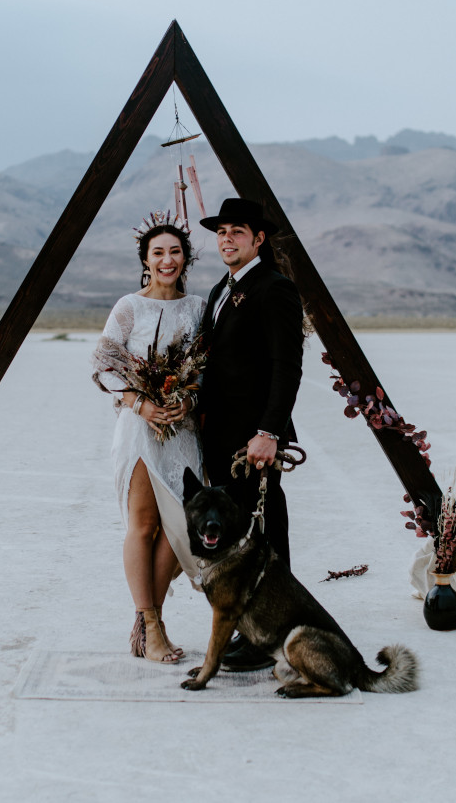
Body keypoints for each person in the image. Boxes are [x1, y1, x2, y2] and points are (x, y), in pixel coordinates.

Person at [196, 197, 305, 671]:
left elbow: (288, 367)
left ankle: (272, 633)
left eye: (237, 231)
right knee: (240, 540)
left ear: (259, 239)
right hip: (218, 437)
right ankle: (247, 627)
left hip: (253, 442)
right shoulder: (222, 287)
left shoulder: (274, 288)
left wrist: (269, 432)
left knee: (265, 533)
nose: (227, 239)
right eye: (221, 232)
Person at [92, 218, 206, 664]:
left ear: (186, 259)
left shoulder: (198, 308)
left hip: (181, 432)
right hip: (139, 428)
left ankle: (145, 621)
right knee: (144, 526)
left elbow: (204, 369)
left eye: (174, 252)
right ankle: (152, 625)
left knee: (181, 530)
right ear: (145, 260)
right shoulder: (128, 307)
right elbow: (103, 366)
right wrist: (140, 404)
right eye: (158, 253)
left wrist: (188, 400)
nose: (166, 260)